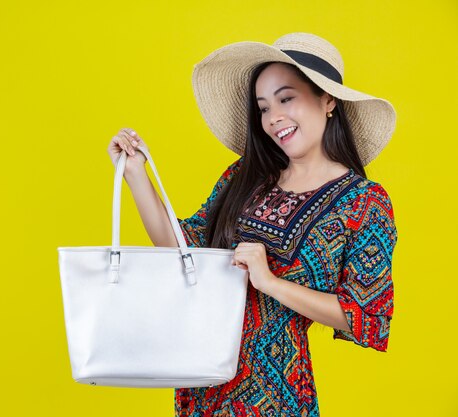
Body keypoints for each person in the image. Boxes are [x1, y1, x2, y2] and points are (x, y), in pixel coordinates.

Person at [107, 33, 398, 417]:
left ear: (328, 100)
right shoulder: (246, 178)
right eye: (263, 107)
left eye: (286, 98)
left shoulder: (364, 203)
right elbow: (180, 249)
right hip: (202, 382)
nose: (273, 117)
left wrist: (271, 282)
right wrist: (134, 174)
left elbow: (365, 317)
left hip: (276, 397)